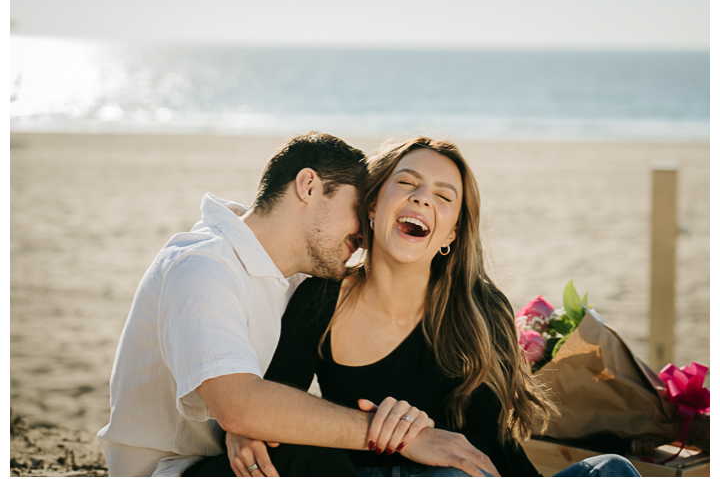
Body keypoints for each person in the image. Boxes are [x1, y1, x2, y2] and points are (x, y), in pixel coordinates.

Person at [217, 137, 641, 478]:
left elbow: (477, 450)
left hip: (474, 475)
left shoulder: (478, 308)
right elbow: (278, 401)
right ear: (372, 205)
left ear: (451, 234)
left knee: (613, 470)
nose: (422, 199)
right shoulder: (320, 300)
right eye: (406, 183)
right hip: (369, 474)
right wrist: (244, 430)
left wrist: (404, 427)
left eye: (444, 195)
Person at [96, 132, 501, 477]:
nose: (364, 232)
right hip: (175, 471)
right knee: (306, 457)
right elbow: (239, 404)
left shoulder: (290, 277)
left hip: (247, 460)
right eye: (358, 208)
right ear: (308, 186)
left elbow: (261, 403)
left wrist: (253, 420)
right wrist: (405, 434)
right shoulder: (202, 267)